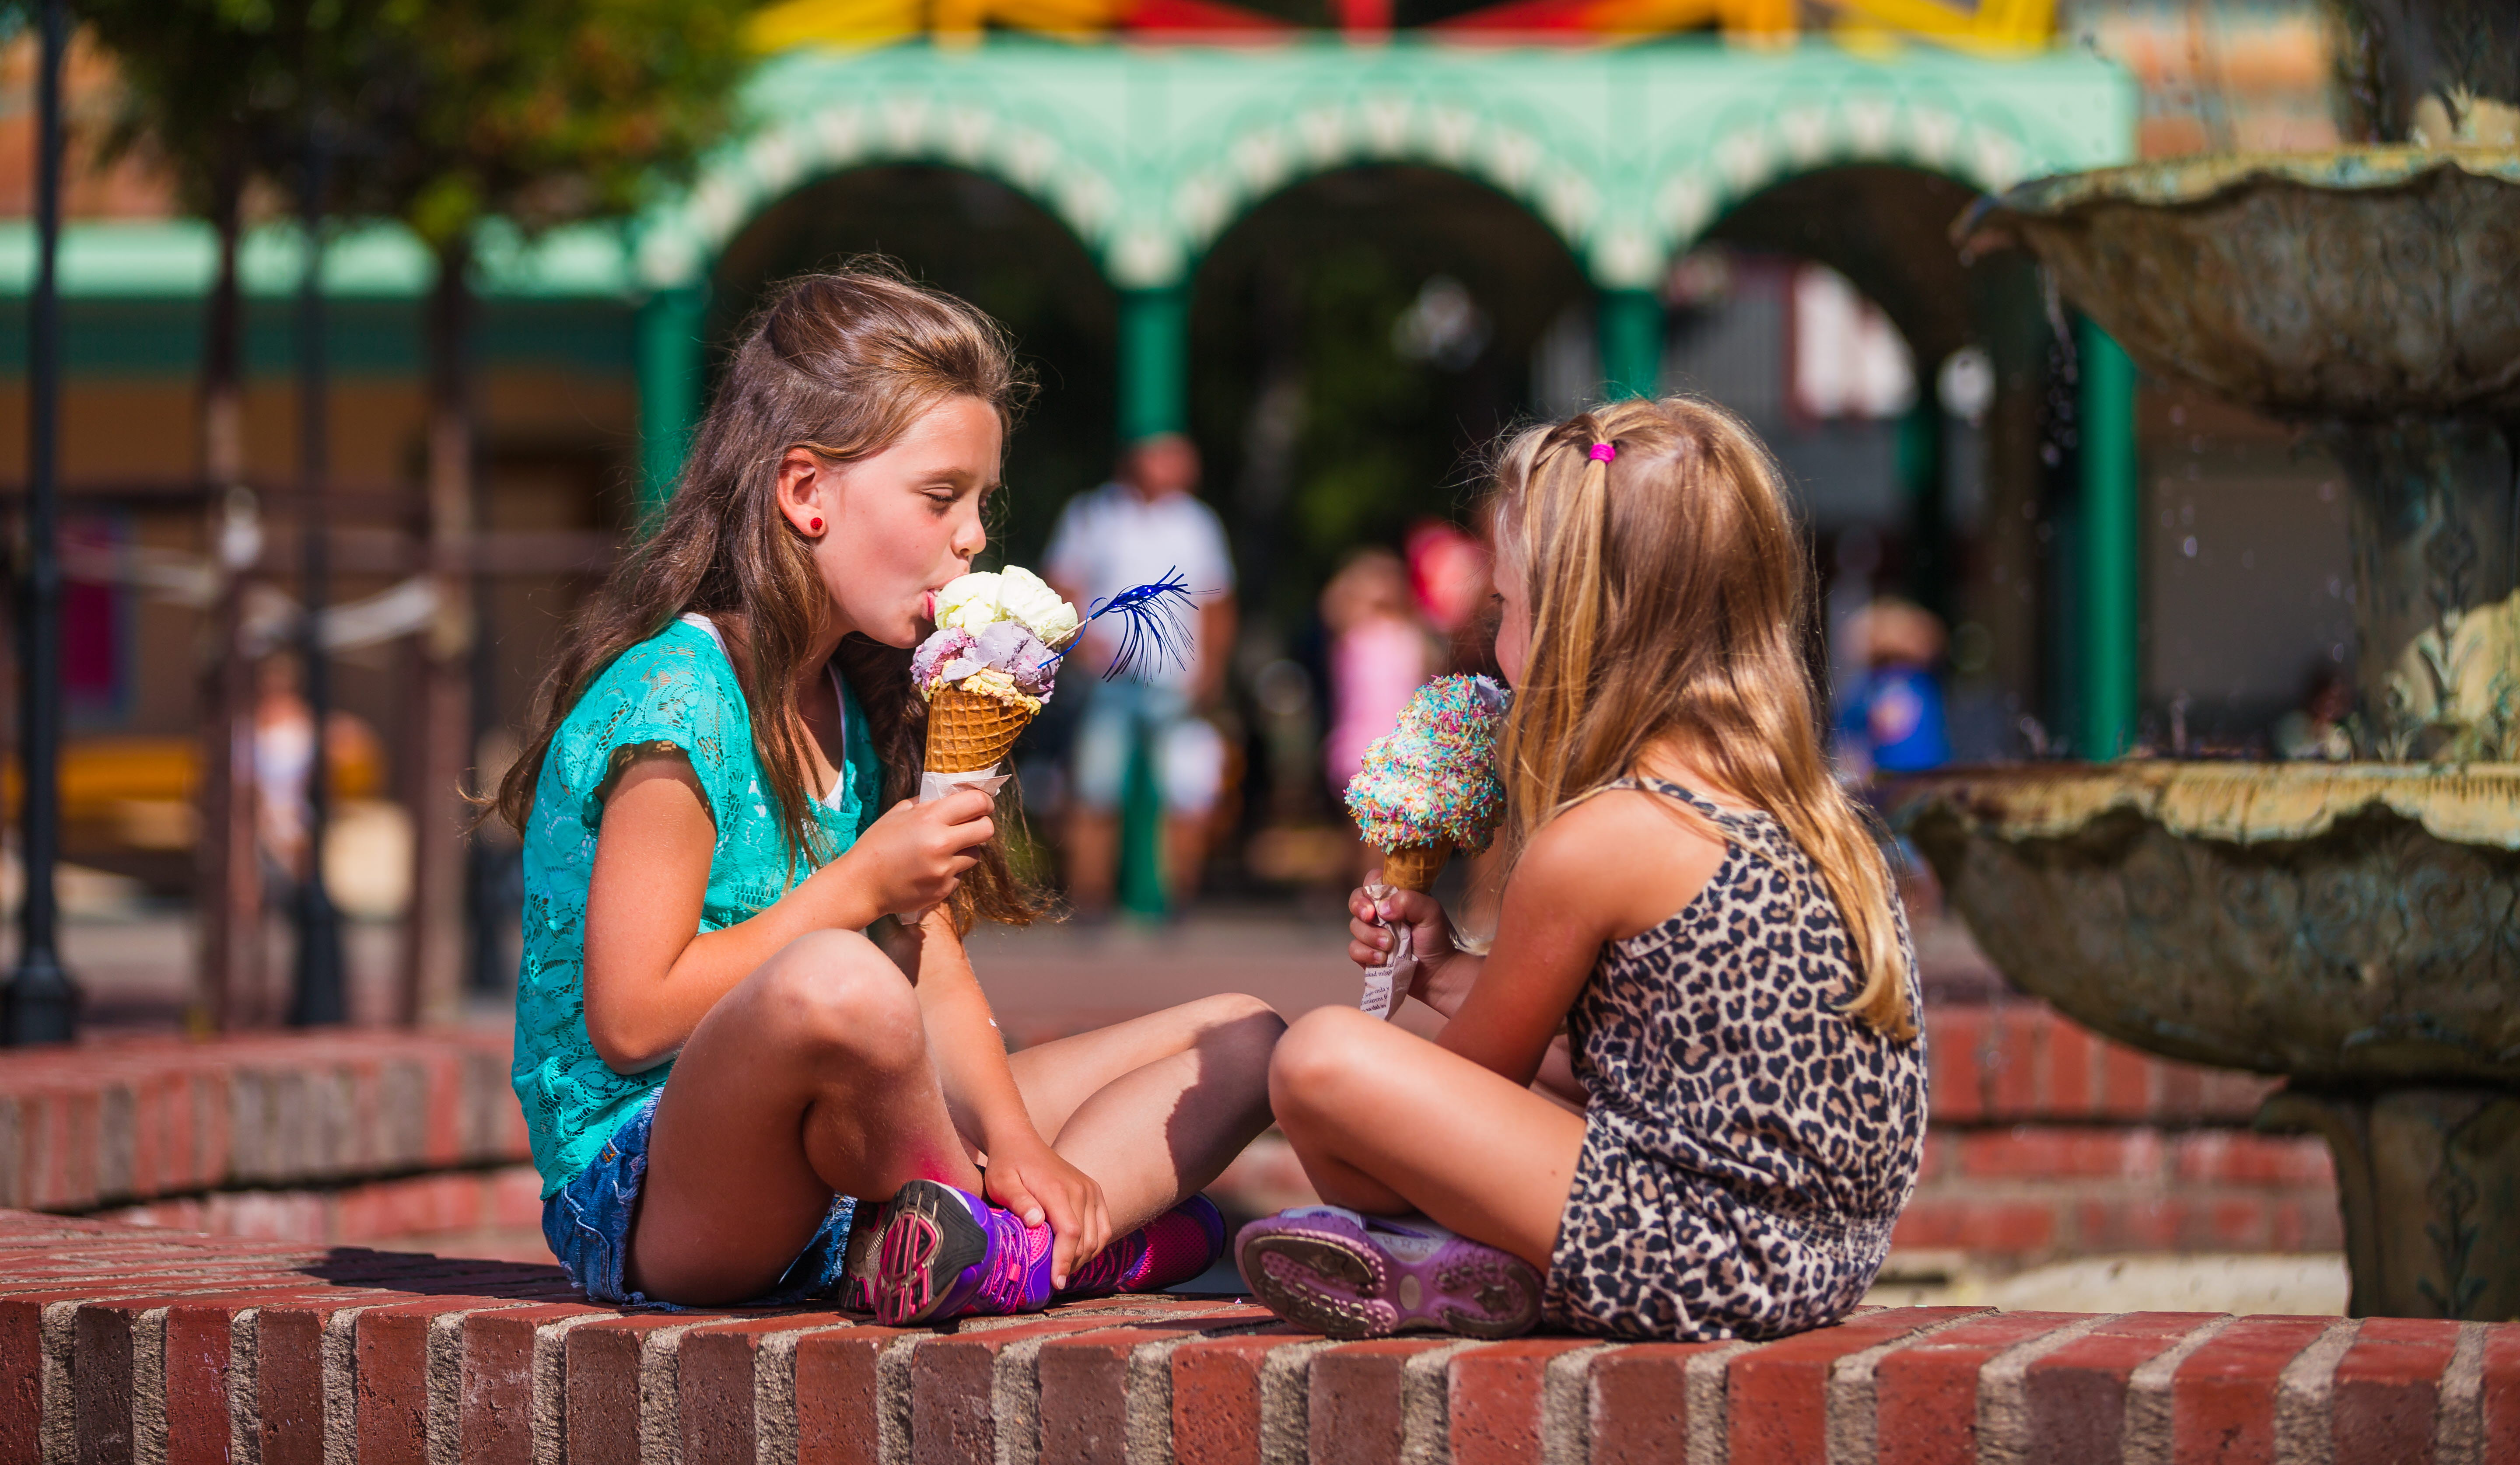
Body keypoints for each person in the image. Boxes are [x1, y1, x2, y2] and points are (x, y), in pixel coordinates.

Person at [491, 270, 1282, 1316]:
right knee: (838, 982)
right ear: (806, 493)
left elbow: (932, 964)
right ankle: (1028, 1246)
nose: (970, 538)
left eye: (981, 503)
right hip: (660, 1190)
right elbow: (632, 1018)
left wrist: (1018, 1145)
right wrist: (859, 883)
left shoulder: (854, 704)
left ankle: (1007, 1239)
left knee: (1242, 1036)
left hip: (844, 1165)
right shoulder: (673, 703)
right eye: (939, 495)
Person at [1234, 397, 1928, 1343]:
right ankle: (1448, 1269)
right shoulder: (1813, 816)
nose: (1495, 638)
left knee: (1320, 1063)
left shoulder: (1600, 839)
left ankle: (1451, 1262)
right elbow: (1649, 1075)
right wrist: (1440, 975)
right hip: (1812, 1263)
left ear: (1579, 626)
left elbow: (1472, 1087)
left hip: (1691, 1254)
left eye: (1507, 609)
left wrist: (1390, 1056)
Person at [1044, 433, 1237, 916]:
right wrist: (1082, 641)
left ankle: (1177, 899)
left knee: (1185, 788)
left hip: (1177, 676)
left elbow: (1217, 600)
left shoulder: (1198, 522)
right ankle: (1090, 899)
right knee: (1095, 786)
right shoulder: (1092, 514)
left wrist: (1212, 668)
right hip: (1109, 676)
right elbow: (1063, 582)